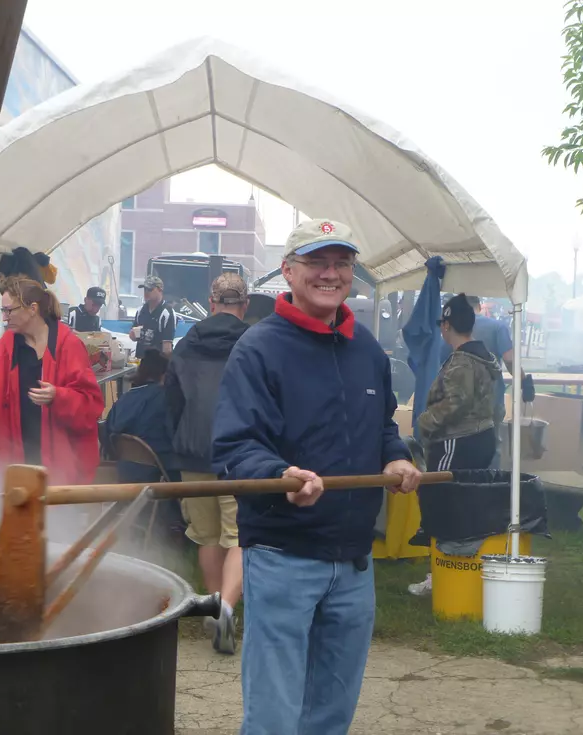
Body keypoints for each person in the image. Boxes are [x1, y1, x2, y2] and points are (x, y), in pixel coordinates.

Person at [211, 218, 422, 735]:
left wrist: (395, 457)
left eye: (342, 264)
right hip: (283, 555)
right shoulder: (259, 349)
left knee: (331, 713)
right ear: (288, 271)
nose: (331, 274)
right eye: (316, 262)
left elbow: (382, 428)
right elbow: (234, 446)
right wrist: (281, 474)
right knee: (275, 716)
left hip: (353, 563)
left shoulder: (368, 351)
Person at [0, 276, 103, 485]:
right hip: (17, 464)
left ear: (32, 308)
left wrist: (58, 397)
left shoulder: (68, 346)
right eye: (2, 311)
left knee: (57, 518)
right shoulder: (7, 346)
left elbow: (90, 405)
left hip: (62, 468)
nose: (4, 318)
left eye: (9, 310)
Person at [166, 272, 250, 655]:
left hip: (193, 451)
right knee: (239, 537)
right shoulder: (255, 342)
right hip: (239, 453)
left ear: (212, 303)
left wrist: (179, 440)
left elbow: (172, 402)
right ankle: (228, 608)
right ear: (244, 305)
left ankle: (214, 605)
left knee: (206, 535)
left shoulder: (186, 344)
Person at [417, 294, 502, 472]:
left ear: (447, 325)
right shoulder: (482, 356)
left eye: (442, 324)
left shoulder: (462, 361)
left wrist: (425, 422)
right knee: (468, 496)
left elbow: (455, 403)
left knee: (438, 493)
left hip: (459, 441)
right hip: (484, 436)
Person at [465, 295, 534, 467]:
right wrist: (524, 381)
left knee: (461, 444)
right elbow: (510, 360)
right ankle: (490, 488)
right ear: (479, 306)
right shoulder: (496, 327)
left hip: (458, 398)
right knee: (491, 445)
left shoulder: (450, 328)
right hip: (490, 398)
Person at [105, 349, 179, 483]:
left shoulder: (124, 400)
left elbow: (107, 435)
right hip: (161, 475)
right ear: (165, 374)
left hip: (125, 474)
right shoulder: (166, 399)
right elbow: (174, 436)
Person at [129, 275, 175, 358]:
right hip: (140, 360)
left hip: (157, 363)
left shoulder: (167, 313)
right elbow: (133, 337)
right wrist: (133, 334)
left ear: (160, 290)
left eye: (150, 289)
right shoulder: (140, 311)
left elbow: (167, 348)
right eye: (145, 289)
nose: (146, 292)